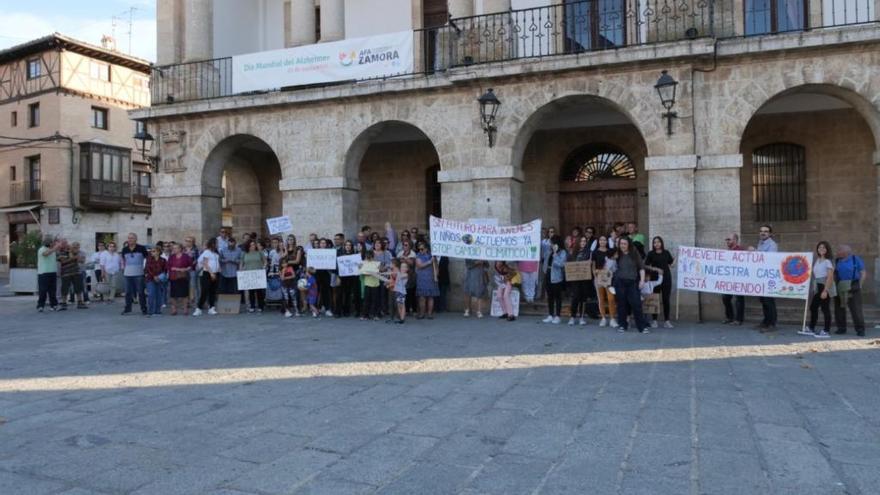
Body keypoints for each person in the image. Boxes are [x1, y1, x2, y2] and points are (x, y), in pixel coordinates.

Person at [614, 237, 648, 334]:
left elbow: (641, 267)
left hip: (632, 282)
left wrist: (642, 280)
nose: (622, 246)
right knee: (621, 305)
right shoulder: (618, 254)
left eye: (624, 244)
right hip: (620, 282)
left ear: (628, 244)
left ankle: (641, 327)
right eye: (621, 244)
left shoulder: (634, 253)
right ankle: (622, 325)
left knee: (636, 304)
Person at [801, 241, 834, 338]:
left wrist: (825, 290)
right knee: (813, 307)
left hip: (824, 286)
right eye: (820, 247)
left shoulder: (828, 261)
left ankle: (826, 330)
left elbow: (830, 277)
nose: (822, 249)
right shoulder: (817, 260)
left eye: (824, 247)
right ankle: (811, 328)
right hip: (818, 286)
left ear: (827, 249)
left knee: (825, 308)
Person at [833, 244, 867, 336]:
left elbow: (863, 273)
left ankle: (860, 329)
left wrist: (860, 285)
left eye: (839, 250)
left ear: (845, 252)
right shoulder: (837, 261)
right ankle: (841, 328)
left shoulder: (856, 259)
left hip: (853, 285)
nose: (837, 252)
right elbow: (834, 274)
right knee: (839, 308)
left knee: (856, 309)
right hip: (840, 284)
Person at [644, 236, 674, 329]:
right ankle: (654, 321)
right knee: (654, 299)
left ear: (661, 243)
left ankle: (667, 321)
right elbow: (646, 266)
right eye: (655, 242)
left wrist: (677, 257)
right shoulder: (651, 253)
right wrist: (655, 269)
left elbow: (671, 264)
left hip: (666, 278)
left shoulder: (666, 252)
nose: (656, 244)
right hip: (654, 279)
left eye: (658, 242)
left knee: (666, 300)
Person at [753, 225, 778, 332]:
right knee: (763, 301)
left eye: (766, 231)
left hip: (769, 277)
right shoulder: (760, 243)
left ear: (770, 233)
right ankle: (766, 321)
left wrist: (755, 251)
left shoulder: (772, 245)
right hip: (761, 277)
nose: (763, 233)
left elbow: (769, 259)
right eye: (761, 231)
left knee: (769, 301)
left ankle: (772, 323)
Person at [592, 235, 617, 328]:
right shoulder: (595, 252)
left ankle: (612, 319)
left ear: (607, 241)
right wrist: (594, 272)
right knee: (601, 298)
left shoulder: (610, 251)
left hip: (609, 278)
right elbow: (593, 265)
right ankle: (603, 318)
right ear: (598, 241)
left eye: (604, 240)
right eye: (601, 239)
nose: (603, 241)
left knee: (611, 299)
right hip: (599, 277)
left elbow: (614, 263)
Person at [121, 233, 149, 316]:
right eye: (129, 238)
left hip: (139, 273)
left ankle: (144, 309)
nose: (130, 240)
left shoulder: (141, 248)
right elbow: (123, 260)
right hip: (127, 274)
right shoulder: (124, 249)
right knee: (128, 292)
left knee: (141, 292)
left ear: (136, 239)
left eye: (132, 238)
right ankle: (127, 309)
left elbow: (147, 259)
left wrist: (145, 269)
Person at [721, 233, 745, 326]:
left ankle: (739, 319)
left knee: (739, 299)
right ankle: (729, 317)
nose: (727, 241)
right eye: (726, 239)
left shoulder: (741, 250)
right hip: (728, 279)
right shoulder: (727, 251)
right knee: (725, 298)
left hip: (739, 279)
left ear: (735, 240)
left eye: (729, 239)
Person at [543, 236, 567, 324]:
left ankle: (557, 316)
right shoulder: (549, 251)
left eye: (552, 242)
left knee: (557, 297)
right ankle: (550, 315)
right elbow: (545, 261)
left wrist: (555, 255)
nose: (550, 244)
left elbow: (561, 264)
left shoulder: (562, 252)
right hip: (548, 274)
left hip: (556, 276)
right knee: (550, 296)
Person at [568, 236, 591, 326]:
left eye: (584, 241)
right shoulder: (573, 252)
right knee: (575, 297)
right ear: (578, 242)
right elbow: (568, 264)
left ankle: (581, 317)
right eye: (581, 240)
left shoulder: (589, 252)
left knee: (583, 298)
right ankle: (572, 317)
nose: (583, 242)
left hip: (585, 279)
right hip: (575, 278)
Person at [194, 238, 220, 316]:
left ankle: (211, 307)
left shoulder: (216, 253)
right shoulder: (207, 252)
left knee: (213, 291)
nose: (217, 245)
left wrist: (218, 271)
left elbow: (217, 263)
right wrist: (211, 273)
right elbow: (205, 263)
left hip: (216, 273)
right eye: (216, 243)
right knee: (204, 291)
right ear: (212, 244)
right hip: (207, 273)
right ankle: (199, 308)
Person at [58, 241, 87, 310]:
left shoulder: (78, 253)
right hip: (66, 273)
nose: (75, 248)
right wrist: (72, 257)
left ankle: (80, 302)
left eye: (77, 246)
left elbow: (82, 261)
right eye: (74, 246)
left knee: (78, 288)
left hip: (76, 272)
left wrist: (74, 256)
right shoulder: (62, 253)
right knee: (65, 289)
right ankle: (64, 303)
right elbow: (62, 261)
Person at [415, 242, 439, 319]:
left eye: (422, 249)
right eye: (419, 249)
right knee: (422, 297)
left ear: (426, 249)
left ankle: (429, 314)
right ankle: (422, 313)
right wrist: (429, 262)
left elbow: (436, 267)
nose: (420, 251)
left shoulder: (432, 256)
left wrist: (436, 275)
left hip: (431, 278)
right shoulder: (418, 256)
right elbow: (419, 265)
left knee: (430, 297)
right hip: (422, 278)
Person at [241, 240, 267, 313]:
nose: (253, 246)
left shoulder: (259, 252)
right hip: (249, 274)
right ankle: (252, 306)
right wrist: (241, 271)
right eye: (251, 245)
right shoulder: (244, 253)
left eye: (254, 244)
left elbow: (265, 261)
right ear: (248, 246)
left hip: (258, 273)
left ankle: (260, 306)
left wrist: (264, 267)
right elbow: (241, 263)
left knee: (259, 291)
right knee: (251, 291)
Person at [167, 243, 192, 316]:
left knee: (184, 294)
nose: (174, 249)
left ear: (180, 249)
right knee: (173, 294)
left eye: (176, 248)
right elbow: (168, 266)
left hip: (183, 277)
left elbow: (191, 265)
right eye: (173, 248)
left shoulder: (186, 256)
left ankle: (185, 308)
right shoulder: (171, 257)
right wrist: (175, 269)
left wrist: (185, 269)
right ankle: (174, 309)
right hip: (173, 277)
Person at [36, 236, 60, 312]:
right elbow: (46, 254)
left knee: (53, 290)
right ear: (49, 243)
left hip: (52, 272)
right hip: (43, 273)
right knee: (43, 290)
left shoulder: (52, 250)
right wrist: (55, 248)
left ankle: (54, 305)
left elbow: (56, 255)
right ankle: (40, 306)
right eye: (52, 242)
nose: (53, 243)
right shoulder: (42, 249)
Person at [338, 240, 361, 317]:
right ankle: (344, 311)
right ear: (344, 246)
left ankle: (358, 311)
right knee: (345, 294)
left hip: (354, 277)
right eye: (346, 245)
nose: (348, 246)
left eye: (349, 245)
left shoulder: (355, 255)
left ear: (351, 247)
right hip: (344, 277)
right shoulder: (341, 255)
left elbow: (359, 265)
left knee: (356, 294)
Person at [145, 246, 168, 317]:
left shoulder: (163, 260)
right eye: (151, 251)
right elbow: (147, 269)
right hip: (150, 279)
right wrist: (154, 276)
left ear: (158, 252)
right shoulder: (149, 259)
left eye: (154, 251)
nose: (152, 252)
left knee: (159, 295)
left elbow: (165, 269)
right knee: (151, 294)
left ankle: (158, 311)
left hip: (160, 279)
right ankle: (150, 311)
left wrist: (160, 277)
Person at [396, 240, 418, 315]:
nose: (404, 246)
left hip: (410, 275)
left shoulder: (413, 253)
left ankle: (414, 309)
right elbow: (397, 261)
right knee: (405, 293)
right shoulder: (400, 253)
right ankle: (407, 309)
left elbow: (412, 263)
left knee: (411, 293)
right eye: (404, 245)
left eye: (406, 245)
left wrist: (404, 258)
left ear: (410, 246)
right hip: (402, 275)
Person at [360, 250, 382, 321]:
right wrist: (360, 268)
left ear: (373, 256)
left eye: (370, 256)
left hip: (375, 284)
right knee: (366, 300)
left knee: (375, 300)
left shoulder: (377, 263)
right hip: (367, 284)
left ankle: (376, 314)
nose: (368, 257)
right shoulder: (363, 263)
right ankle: (365, 315)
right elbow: (362, 272)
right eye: (367, 256)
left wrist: (380, 269)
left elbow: (380, 271)